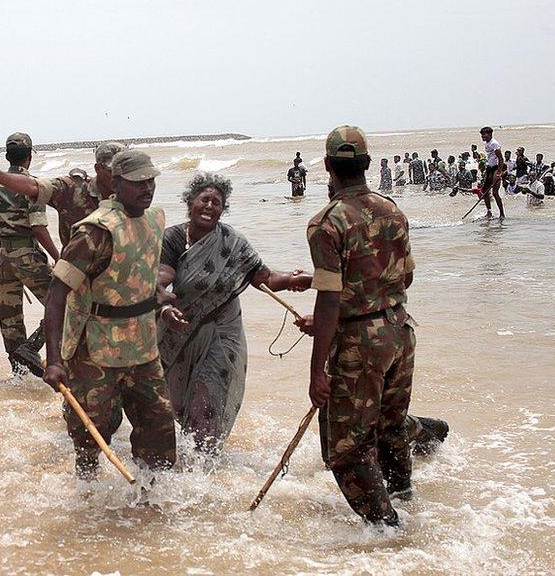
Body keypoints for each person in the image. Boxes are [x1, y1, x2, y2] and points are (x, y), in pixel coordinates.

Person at [301, 124, 419, 526]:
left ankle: (390, 533)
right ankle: (405, 499)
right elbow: (404, 278)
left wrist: (317, 371)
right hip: (400, 332)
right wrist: (327, 320)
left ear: (328, 166)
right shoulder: (392, 210)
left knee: (346, 449)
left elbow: (331, 297)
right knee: (390, 429)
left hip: (360, 343)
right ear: (366, 165)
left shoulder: (326, 223)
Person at [42, 149, 181, 478]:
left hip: (143, 347)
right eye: (138, 182)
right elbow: (56, 295)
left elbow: (140, 276)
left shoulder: (154, 221)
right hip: (96, 349)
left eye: (151, 181)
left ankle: (149, 503)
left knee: (159, 430)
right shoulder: (94, 232)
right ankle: (87, 499)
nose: (147, 189)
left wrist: (162, 303)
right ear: (116, 183)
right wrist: (54, 359)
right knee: (92, 434)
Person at [157, 172, 311, 453]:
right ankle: (188, 455)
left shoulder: (232, 242)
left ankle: (203, 464)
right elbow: (160, 279)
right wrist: (165, 306)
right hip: (179, 330)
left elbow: (263, 277)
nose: (209, 206)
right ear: (190, 202)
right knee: (176, 400)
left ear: (223, 209)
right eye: (204, 200)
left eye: (217, 202)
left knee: (208, 397)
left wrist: (292, 280)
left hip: (222, 333)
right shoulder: (174, 239)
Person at [0, 132, 59, 377]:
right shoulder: (32, 186)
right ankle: (33, 346)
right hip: (28, 255)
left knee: (9, 317)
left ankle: (19, 374)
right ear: (29, 158)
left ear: (7, 156)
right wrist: (58, 257)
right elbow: (38, 228)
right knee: (63, 306)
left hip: (5, 257)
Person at [480, 126, 505, 218]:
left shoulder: (494, 143)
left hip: (496, 168)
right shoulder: (487, 143)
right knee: (484, 191)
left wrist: (499, 172)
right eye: (482, 135)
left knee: (495, 192)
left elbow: (501, 159)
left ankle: (502, 214)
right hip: (490, 168)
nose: (482, 137)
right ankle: (489, 212)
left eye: (484, 135)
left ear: (490, 134)